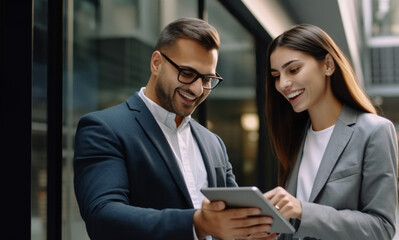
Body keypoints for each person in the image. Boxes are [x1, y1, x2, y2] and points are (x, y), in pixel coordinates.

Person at [73, 18, 275, 240]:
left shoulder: (213, 143)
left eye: (207, 78)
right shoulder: (104, 128)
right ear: (156, 63)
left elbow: (230, 220)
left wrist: (250, 231)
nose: (198, 89)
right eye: (187, 73)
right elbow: (102, 215)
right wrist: (196, 223)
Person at [262, 24, 399, 240]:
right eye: (276, 75)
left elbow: (381, 228)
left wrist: (302, 211)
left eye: (293, 69)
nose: (283, 84)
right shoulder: (294, 137)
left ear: (327, 65)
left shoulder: (374, 131)